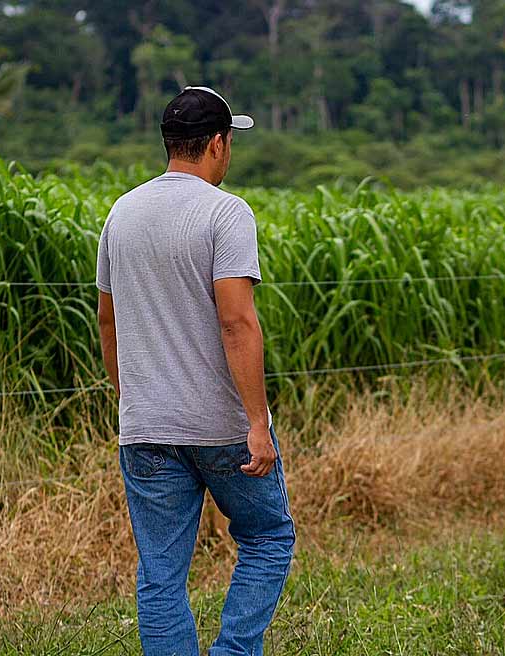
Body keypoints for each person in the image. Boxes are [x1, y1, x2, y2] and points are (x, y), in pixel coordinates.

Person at [95, 86, 295, 656]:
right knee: (268, 537)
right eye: (229, 141)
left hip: (147, 427)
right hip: (222, 428)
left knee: (160, 572)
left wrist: (131, 399)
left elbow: (108, 322)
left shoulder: (122, 212)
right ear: (216, 144)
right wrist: (258, 423)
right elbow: (237, 322)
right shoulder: (225, 213)